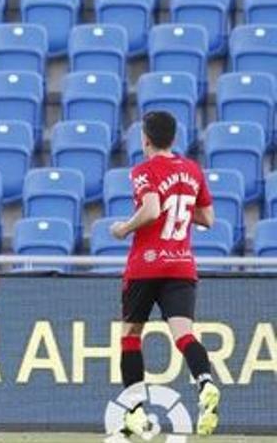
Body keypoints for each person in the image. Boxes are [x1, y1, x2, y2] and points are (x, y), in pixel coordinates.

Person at [108, 110, 220, 437]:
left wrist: (123, 229)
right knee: (184, 334)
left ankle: (135, 413)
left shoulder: (144, 170)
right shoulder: (192, 170)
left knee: (130, 336)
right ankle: (206, 383)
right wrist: (181, 208)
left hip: (147, 263)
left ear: (145, 138)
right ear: (173, 138)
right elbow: (209, 218)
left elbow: (153, 208)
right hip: (182, 263)